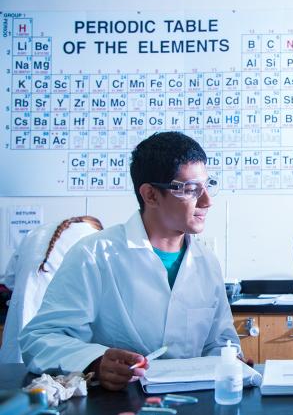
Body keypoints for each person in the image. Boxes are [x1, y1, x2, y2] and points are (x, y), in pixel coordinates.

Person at [21, 132, 239, 391]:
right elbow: (39, 339)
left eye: (207, 186)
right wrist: (96, 362)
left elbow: (220, 342)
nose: (207, 201)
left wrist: (231, 363)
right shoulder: (94, 254)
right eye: (191, 189)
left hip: (193, 405)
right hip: (115, 407)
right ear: (151, 195)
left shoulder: (206, 262)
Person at [0, 216, 103, 363]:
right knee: (54, 376)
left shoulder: (35, 232)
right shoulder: (94, 238)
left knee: (14, 375)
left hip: (20, 317)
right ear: (98, 227)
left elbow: (10, 280)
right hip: (57, 325)